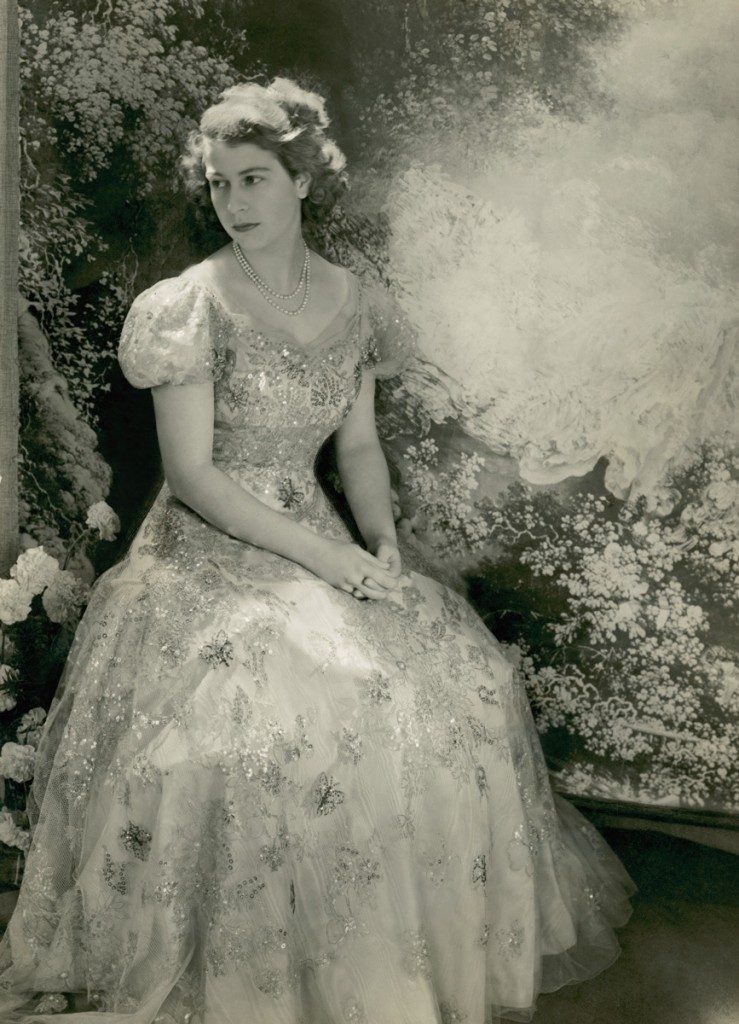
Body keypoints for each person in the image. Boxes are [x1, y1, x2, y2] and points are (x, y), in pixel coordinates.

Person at [0, 78, 636, 1024]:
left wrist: (380, 551)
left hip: (322, 537)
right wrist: (328, 561)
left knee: (458, 691)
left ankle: (392, 961)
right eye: (218, 184)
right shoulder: (188, 305)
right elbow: (196, 475)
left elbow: (358, 447)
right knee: (280, 721)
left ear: (303, 181)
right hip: (206, 550)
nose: (234, 202)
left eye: (254, 179)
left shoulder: (354, 301)